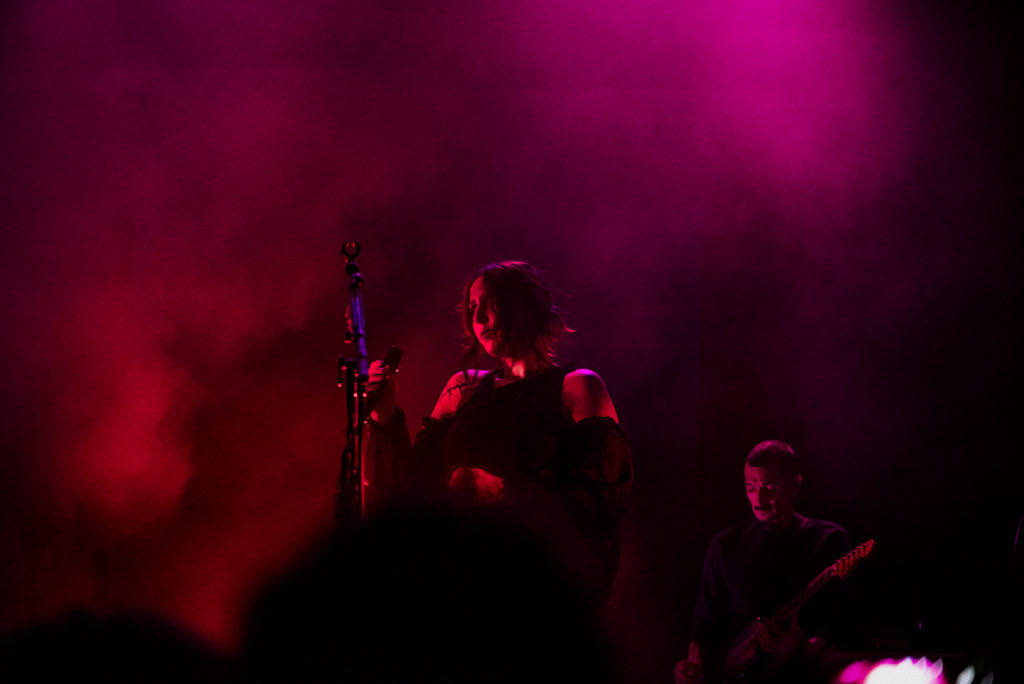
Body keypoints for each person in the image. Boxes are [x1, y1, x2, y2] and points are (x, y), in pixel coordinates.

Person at [362, 260, 633, 604]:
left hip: (532, 591)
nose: (479, 317)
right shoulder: (463, 389)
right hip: (456, 583)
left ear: (524, 305)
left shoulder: (578, 387)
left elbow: (599, 500)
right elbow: (411, 488)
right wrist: (384, 415)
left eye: (490, 303)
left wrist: (503, 492)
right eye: (473, 307)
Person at [675, 440, 853, 684]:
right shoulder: (725, 546)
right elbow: (705, 620)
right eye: (750, 488)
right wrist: (694, 662)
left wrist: (800, 642)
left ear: (795, 485)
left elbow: (844, 623)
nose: (758, 499)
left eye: (770, 488)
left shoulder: (828, 541)